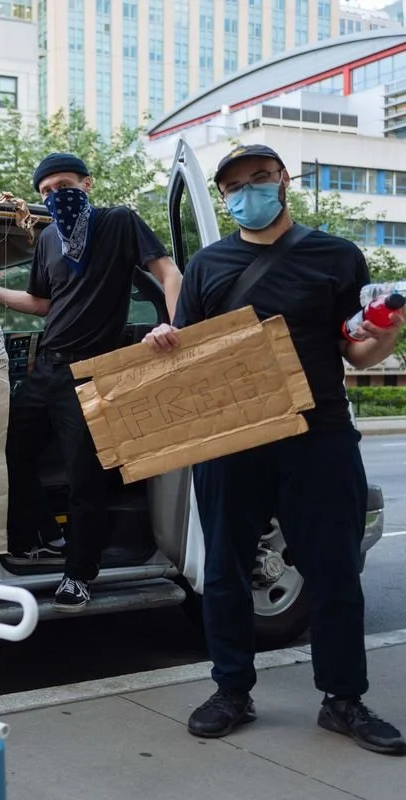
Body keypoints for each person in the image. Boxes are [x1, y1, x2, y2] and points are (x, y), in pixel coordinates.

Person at [142, 144, 405, 756]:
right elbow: (190, 353)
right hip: (233, 436)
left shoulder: (336, 256)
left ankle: (344, 700)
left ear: (283, 181)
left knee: (335, 570)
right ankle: (231, 689)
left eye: (259, 179)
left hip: (320, 435)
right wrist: (164, 339)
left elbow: (357, 350)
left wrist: (387, 335)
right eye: (233, 185)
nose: (246, 193)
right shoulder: (208, 264)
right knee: (227, 572)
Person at [0, 152, 182, 611]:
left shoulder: (118, 222)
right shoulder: (48, 242)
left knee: (85, 480)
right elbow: (41, 303)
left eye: (63, 185)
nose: (55, 195)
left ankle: (79, 573)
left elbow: (169, 273)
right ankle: (45, 535)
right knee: (9, 451)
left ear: (87, 183)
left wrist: (175, 327)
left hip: (95, 371)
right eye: (46, 191)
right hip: (48, 367)